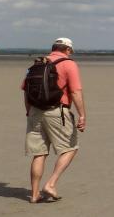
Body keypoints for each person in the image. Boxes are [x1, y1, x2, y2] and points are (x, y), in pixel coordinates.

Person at [21, 37, 87, 204]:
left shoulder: (37, 64)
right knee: (70, 148)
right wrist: (82, 115)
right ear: (68, 50)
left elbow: (26, 90)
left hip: (35, 111)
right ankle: (50, 184)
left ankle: (35, 194)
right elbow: (75, 92)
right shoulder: (68, 63)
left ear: (53, 48)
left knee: (39, 153)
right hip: (57, 111)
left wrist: (29, 112)